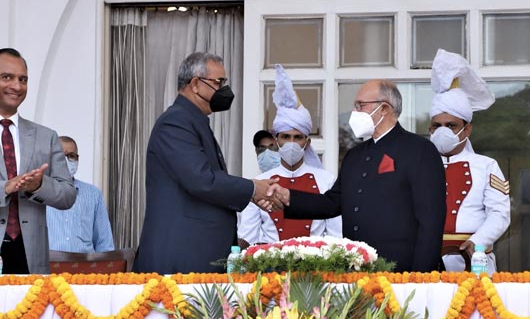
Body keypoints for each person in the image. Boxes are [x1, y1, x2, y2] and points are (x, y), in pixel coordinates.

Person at [267, 79, 447, 273]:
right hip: (358, 269)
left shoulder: (419, 150)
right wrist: (288, 197)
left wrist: (420, 276)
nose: (355, 111)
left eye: (360, 105)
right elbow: (332, 202)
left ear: (384, 108)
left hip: (402, 272)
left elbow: (431, 221)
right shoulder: (355, 155)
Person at [134, 52, 278, 274]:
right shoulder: (176, 122)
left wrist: (252, 192)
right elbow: (201, 180)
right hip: (181, 256)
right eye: (218, 82)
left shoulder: (193, 120)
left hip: (196, 254)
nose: (224, 90)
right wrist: (251, 188)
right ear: (195, 84)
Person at [238, 65, 341, 247]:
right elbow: (248, 238)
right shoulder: (260, 183)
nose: (292, 142)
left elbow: (336, 238)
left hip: (316, 269)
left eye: (298, 137)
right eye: (286, 137)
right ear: (277, 141)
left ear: (307, 142)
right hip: (271, 269)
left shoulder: (327, 180)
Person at [428, 49, 511, 274]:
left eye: (451, 125)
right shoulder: (419, 165)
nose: (443, 131)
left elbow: (499, 213)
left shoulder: (486, 165)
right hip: (426, 261)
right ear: (429, 129)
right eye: (437, 126)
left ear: (467, 129)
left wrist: (479, 241)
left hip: (474, 260)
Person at [0, 48, 77, 274]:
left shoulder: (46, 136)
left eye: (22, 79)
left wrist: (39, 186)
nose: (17, 86)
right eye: (7, 77)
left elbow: (68, 195)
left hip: (30, 258)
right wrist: (6, 186)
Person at [46, 136, 115, 253]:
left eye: (71, 156)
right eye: (61, 156)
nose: (66, 160)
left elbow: (104, 243)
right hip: (49, 267)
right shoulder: (40, 193)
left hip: (85, 268)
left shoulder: (93, 194)